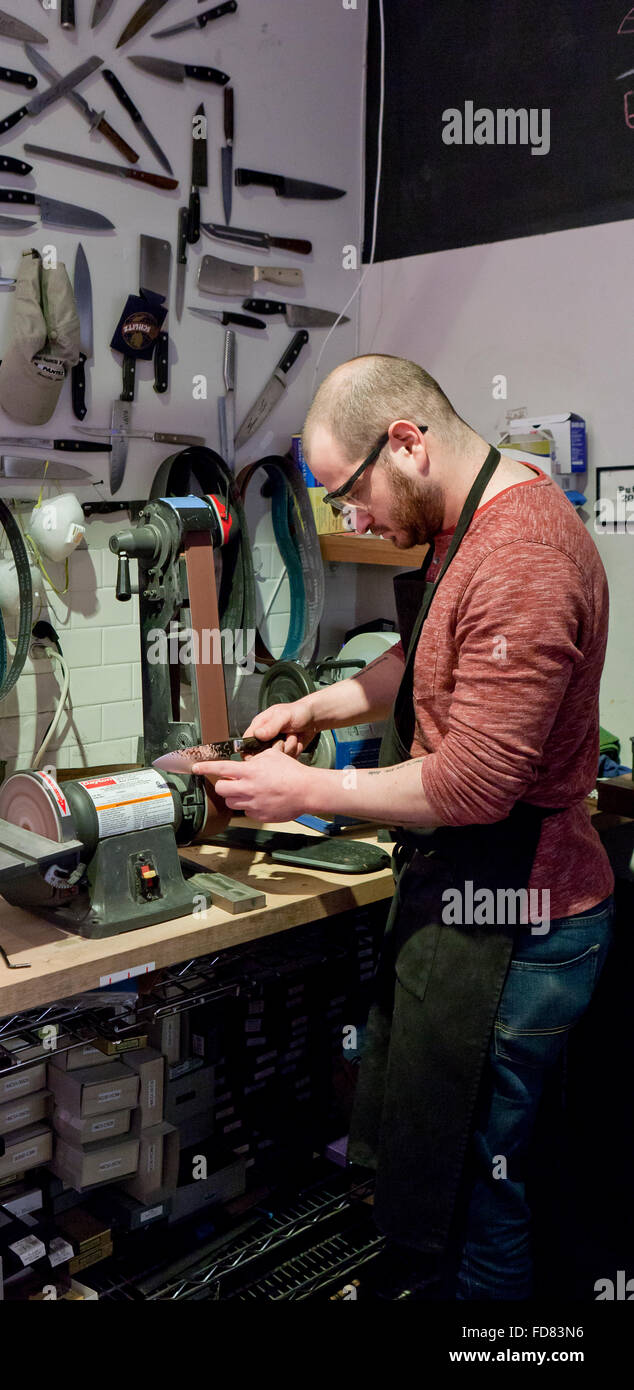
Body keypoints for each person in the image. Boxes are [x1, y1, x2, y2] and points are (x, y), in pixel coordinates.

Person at [192, 354, 615, 1299]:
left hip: (523, 923)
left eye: (350, 494)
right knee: (440, 1171)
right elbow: (418, 662)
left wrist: (303, 795)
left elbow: (475, 784)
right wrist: (318, 709)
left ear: (409, 443)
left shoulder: (524, 557)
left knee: (478, 1198)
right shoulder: (476, 521)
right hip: (475, 897)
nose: (354, 522)